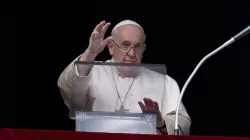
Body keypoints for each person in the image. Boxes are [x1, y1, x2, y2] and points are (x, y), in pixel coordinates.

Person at [57, 20, 191, 135]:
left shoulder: (165, 82)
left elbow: (182, 125)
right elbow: (68, 90)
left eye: (137, 46)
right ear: (111, 47)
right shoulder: (90, 71)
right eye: (125, 45)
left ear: (143, 49)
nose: (132, 53)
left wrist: (160, 122)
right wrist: (90, 53)